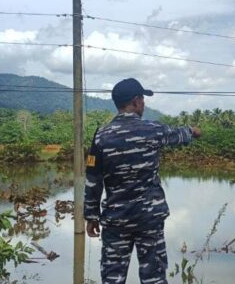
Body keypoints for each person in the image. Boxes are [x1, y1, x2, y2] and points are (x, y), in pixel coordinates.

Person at [84, 78, 201, 284]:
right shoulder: (153, 129)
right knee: (154, 278)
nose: (144, 104)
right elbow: (179, 134)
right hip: (149, 219)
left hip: (116, 220)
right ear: (136, 101)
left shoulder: (101, 136)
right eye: (142, 99)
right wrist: (193, 131)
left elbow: (93, 179)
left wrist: (91, 215)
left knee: (112, 278)